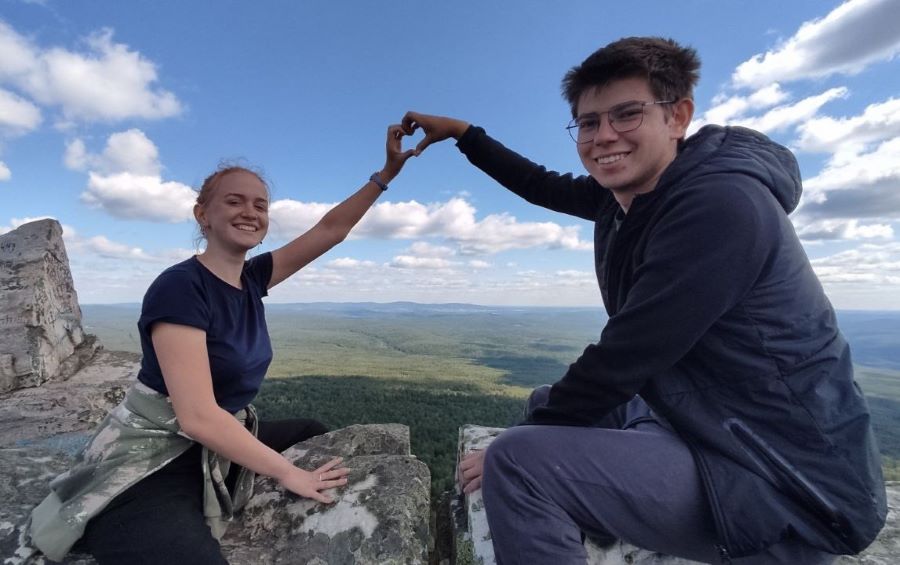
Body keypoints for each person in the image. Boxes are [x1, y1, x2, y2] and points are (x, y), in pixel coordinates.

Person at [402, 37, 887, 564]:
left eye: (627, 114)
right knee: (547, 404)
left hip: (780, 480)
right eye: (589, 123)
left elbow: (624, 358)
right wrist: (464, 135)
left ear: (678, 117)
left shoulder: (720, 206)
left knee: (518, 461)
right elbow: (540, 184)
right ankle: (590, 512)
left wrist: (510, 446)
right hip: (708, 423)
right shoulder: (635, 197)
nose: (604, 136)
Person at [27, 124, 417, 564]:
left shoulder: (252, 279)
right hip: (152, 456)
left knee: (311, 431)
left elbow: (331, 229)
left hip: (209, 443)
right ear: (203, 215)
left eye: (260, 205)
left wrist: (386, 174)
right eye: (234, 201)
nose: (250, 212)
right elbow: (196, 417)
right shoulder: (181, 287)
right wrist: (289, 474)